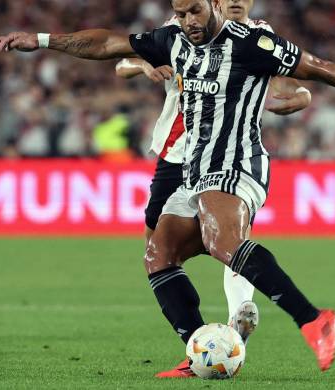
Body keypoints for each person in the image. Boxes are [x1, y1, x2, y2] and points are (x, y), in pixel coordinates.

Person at [0, 0, 335, 374]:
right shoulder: (171, 38)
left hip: (237, 161)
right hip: (191, 167)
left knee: (221, 239)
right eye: (180, 12)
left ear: (213, 6)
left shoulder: (252, 43)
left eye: (194, 11)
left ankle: (312, 319)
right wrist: (42, 39)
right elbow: (108, 46)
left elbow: (317, 68)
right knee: (158, 255)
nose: (188, 20)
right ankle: (201, 352)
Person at [114, 0, 312, 377]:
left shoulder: (259, 35)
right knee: (157, 248)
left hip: (224, 155)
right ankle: (203, 347)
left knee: (228, 236)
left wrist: (301, 97)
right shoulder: (181, 27)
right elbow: (122, 61)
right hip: (175, 153)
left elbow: (294, 80)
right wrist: (145, 65)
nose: (235, 1)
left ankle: (235, 324)